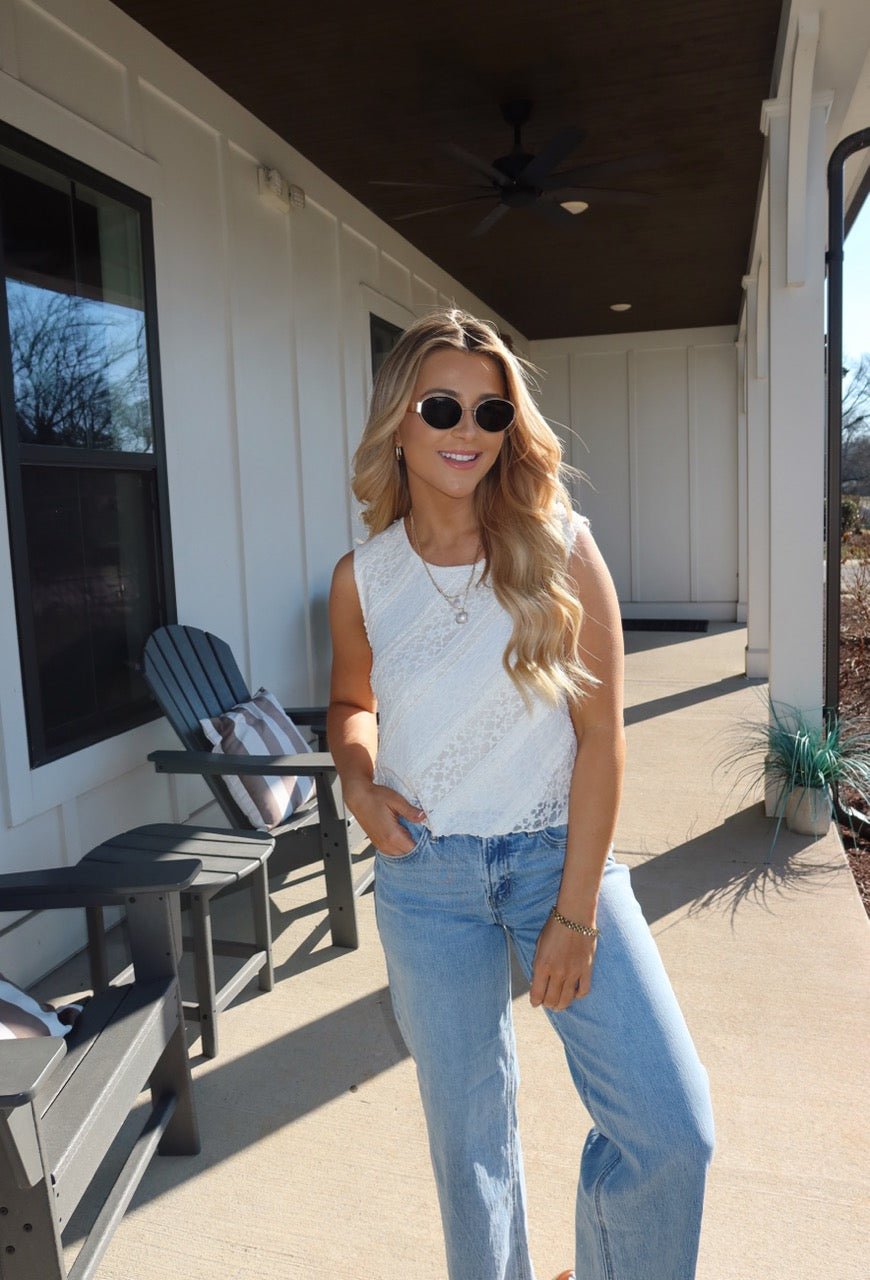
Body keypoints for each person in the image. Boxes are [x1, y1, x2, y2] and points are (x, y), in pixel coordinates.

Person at [327, 308, 714, 1280]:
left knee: (672, 1132)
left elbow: (601, 739)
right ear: (399, 421)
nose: (468, 429)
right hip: (426, 880)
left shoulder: (562, 547)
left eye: (490, 410)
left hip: (558, 861)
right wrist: (358, 778)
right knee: (473, 1156)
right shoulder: (363, 578)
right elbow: (350, 701)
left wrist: (576, 914)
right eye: (443, 406)